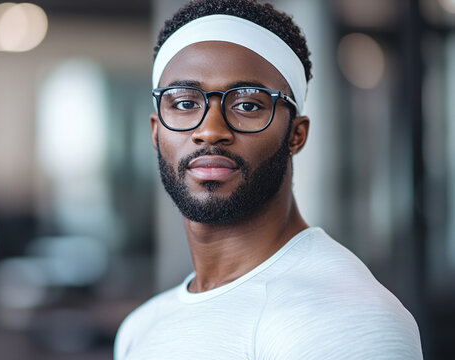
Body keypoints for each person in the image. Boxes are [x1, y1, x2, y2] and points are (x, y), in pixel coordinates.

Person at [114, 0, 423, 359]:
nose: (210, 130)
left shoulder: (341, 318)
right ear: (156, 132)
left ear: (296, 134)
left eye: (247, 105)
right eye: (184, 104)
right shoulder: (142, 326)